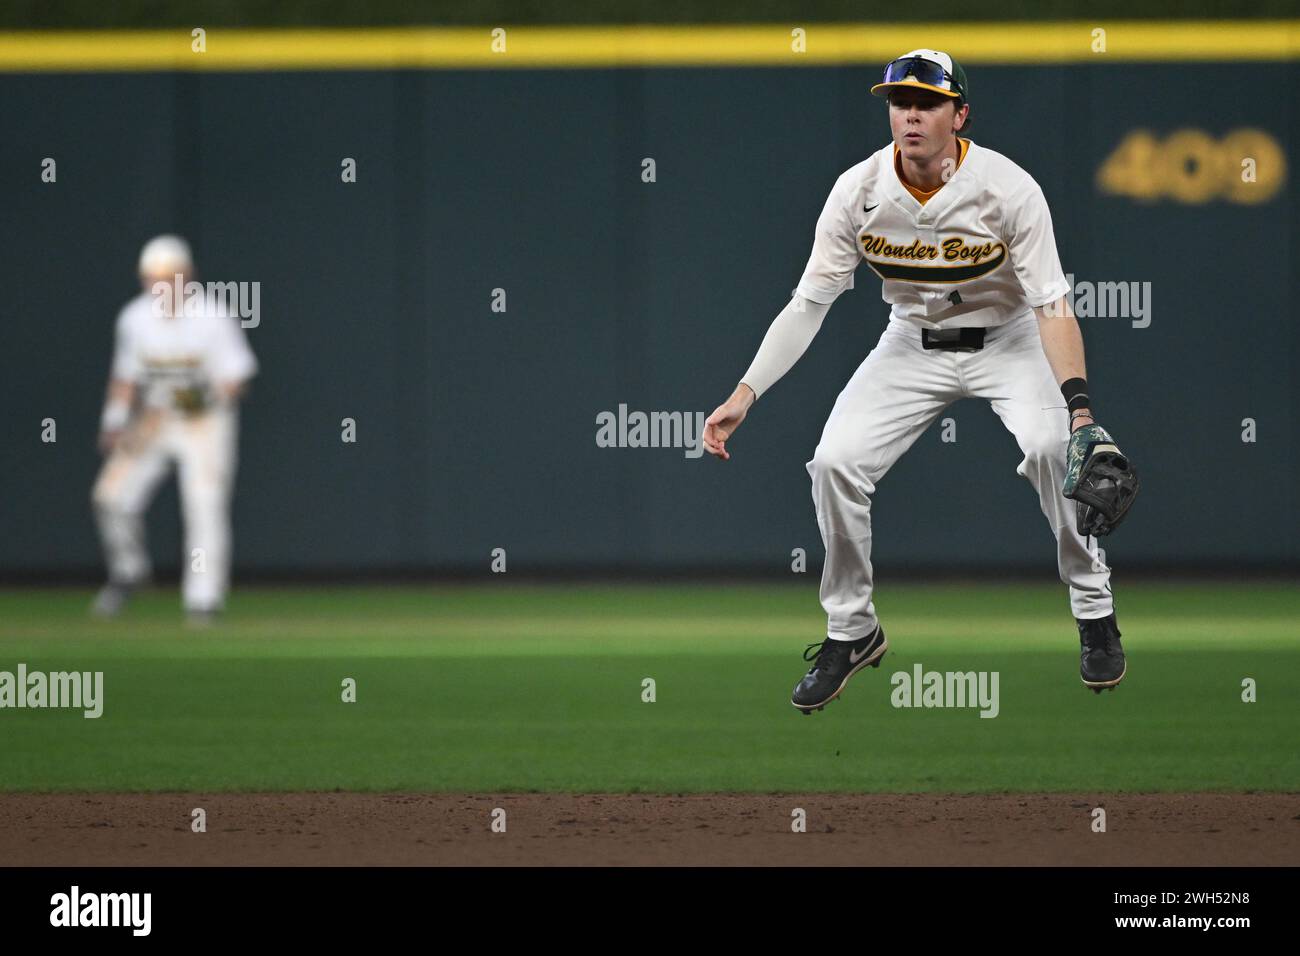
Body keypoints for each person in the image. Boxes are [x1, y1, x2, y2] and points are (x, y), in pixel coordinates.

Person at [701, 50, 1126, 713]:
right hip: (909, 342)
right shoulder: (859, 189)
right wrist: (745, 393)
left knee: (1053, 452)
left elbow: (1052, 306)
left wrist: (1079, 411)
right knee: (835, 462)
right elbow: (809, 303)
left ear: (960, 114)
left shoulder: (1009, 188)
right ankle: (852, 629)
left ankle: (1093, 609)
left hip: (1008, 337)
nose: (911, 116)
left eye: (928, 103)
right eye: (900, 103)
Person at [91, 235, 257, 625]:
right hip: (154, 419)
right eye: (154, 278)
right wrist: (114, 421)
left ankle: (203, 600)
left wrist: (198, 401)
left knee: (204, 505)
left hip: (204, 423)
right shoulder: (134, 318)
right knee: (111, 498)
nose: (163, 285)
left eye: (171, 277)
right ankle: (128, 572)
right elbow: (125, 378)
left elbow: (238, 377)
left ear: (189, 276)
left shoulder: (213, 316)